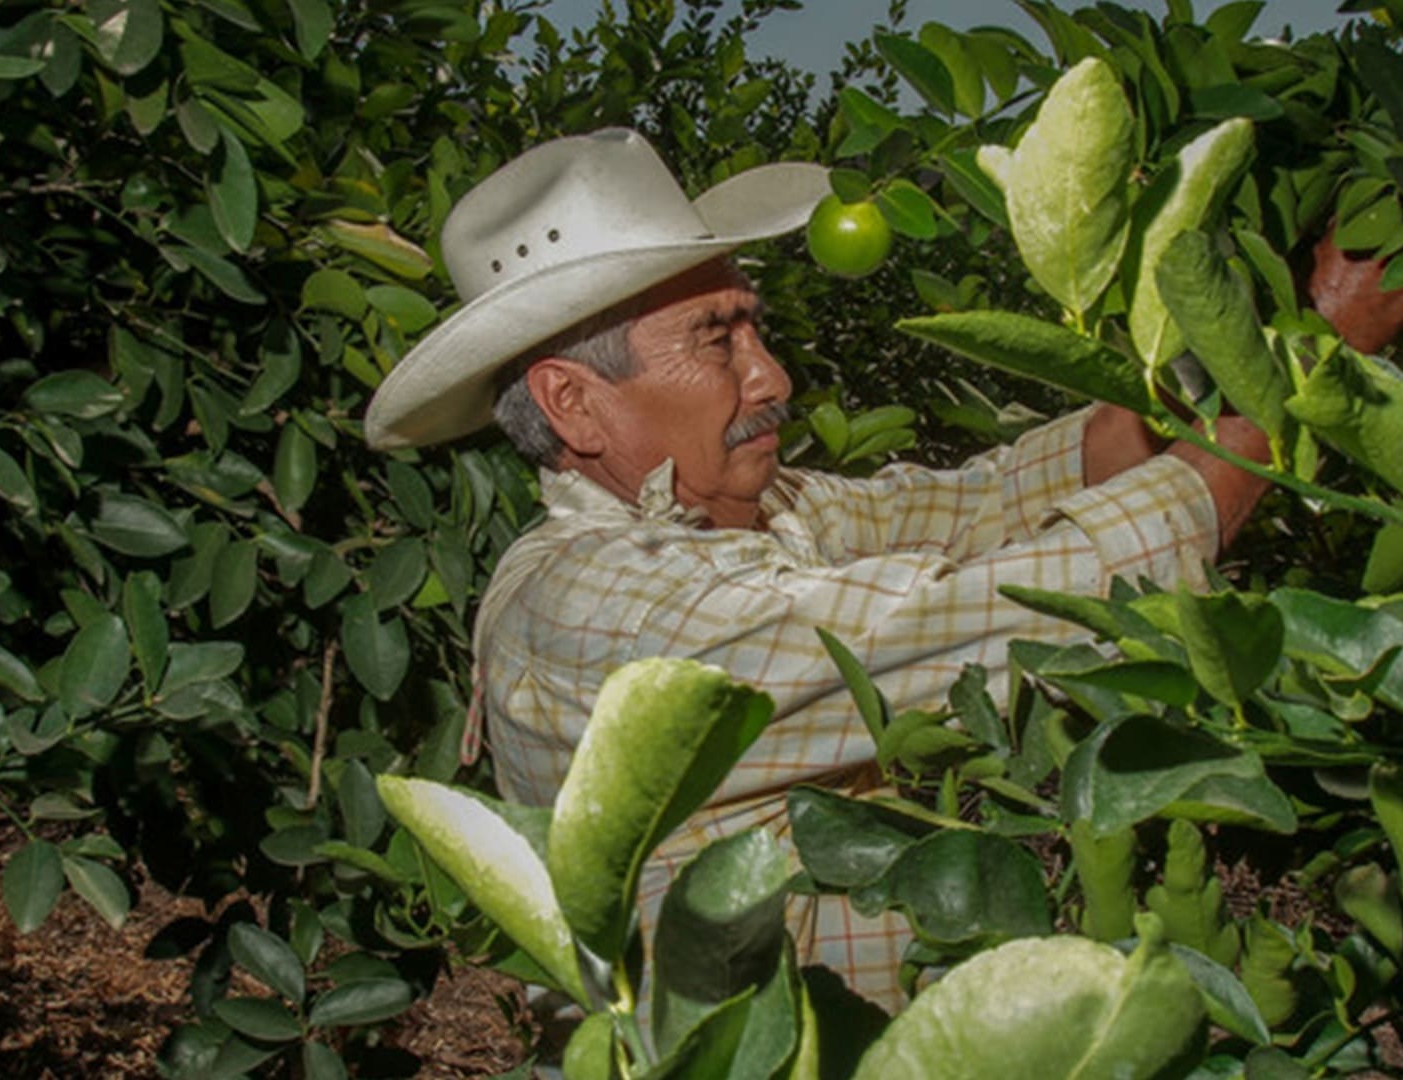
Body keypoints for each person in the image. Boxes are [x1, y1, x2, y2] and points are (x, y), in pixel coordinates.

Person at [363, 128, 1273, 1014]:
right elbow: (978, 620)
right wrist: (1265, 432)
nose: (774, 379)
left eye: (752, 330)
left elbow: (980, 502)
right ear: (575, 403)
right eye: (716, 341)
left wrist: (1237, 354)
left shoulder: (745, 510)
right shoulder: (599, 601)